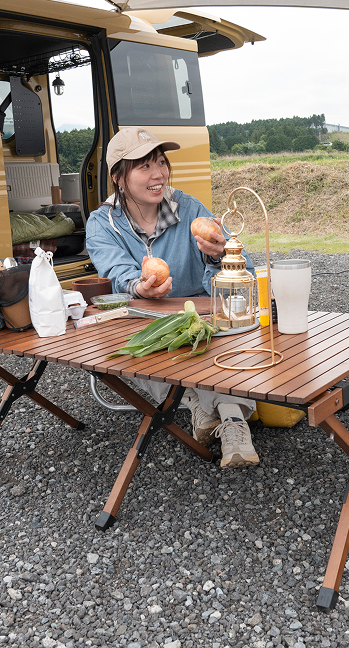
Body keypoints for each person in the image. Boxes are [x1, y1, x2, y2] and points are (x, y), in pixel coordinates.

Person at [85, 127, 259, 468]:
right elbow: (118, 274)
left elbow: (245, 272)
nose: (158, 174)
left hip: (203, 322)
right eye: (144, 166)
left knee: (215, 341)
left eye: (161, 162)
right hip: (143, 323)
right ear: (119, 177)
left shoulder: (191, 210)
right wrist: (139, 288)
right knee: (134, 346)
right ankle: (205, 406)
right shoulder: (102, 224)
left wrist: (218, 254)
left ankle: (228, 420)